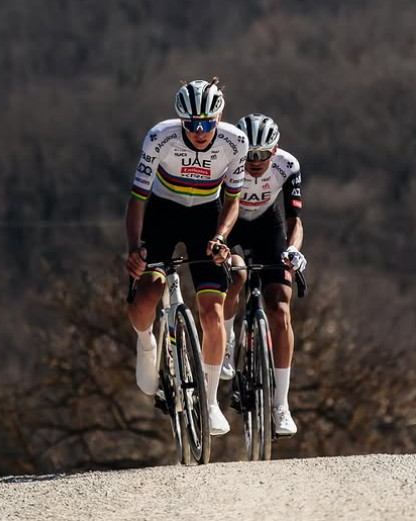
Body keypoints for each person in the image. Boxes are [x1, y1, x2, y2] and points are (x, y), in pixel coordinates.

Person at [124, 78, 248, 436]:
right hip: (162, 214)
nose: (199, 131)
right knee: (147, 293)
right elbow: (137, 199)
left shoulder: (234, 141)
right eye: (191, 124)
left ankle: (209, 403)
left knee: (211, 311)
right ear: (180, 121)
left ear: (219, 117)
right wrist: (134, 249)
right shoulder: (159, 136)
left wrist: (222, 237)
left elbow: (233, 200)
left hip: (206, 218)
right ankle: (146, 340)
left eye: (207, 123)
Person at [221, 113, 307, 436]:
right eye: (250, 155)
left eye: (262, 155)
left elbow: (294, 220)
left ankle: (281, 404)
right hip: (232, 225)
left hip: (268, 228)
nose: (255, 162)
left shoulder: (288, 166)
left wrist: (293, 250)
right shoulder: (227, 160)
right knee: (238, 275)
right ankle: (227, 341)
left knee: (280, 307)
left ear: (275, 151)